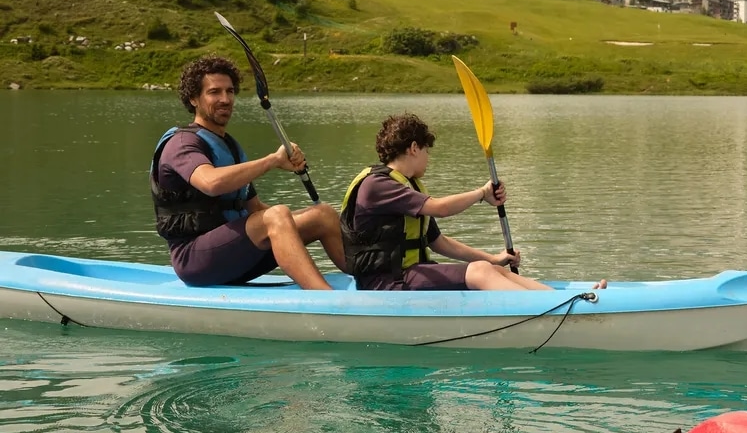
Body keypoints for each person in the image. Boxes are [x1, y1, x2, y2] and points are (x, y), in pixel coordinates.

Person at [341, 112, 605, 292]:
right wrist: (482, 193)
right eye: (426, 151)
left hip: (407, 274)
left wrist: (494, 259)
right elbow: (442, 208)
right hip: (386, 283)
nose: (427, 158)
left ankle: (559, 300)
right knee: (480, 272)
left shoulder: (404, 186)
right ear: (413, 148)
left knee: (491, 269)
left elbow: (439, 242)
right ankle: (560, 307)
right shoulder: (379, 185)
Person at [151, 56, 344, 290]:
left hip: (234, 253)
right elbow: (211, 183)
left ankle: (374, 282)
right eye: (214, 92)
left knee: (322, 214)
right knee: (277, 215)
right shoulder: (181, 143)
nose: (225, 99)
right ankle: (325, 299)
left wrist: (292, 225)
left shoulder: (229, 147)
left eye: (230, 91)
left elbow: (255, 210)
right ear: (194, 99)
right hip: (194, 260)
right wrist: (273, 160)